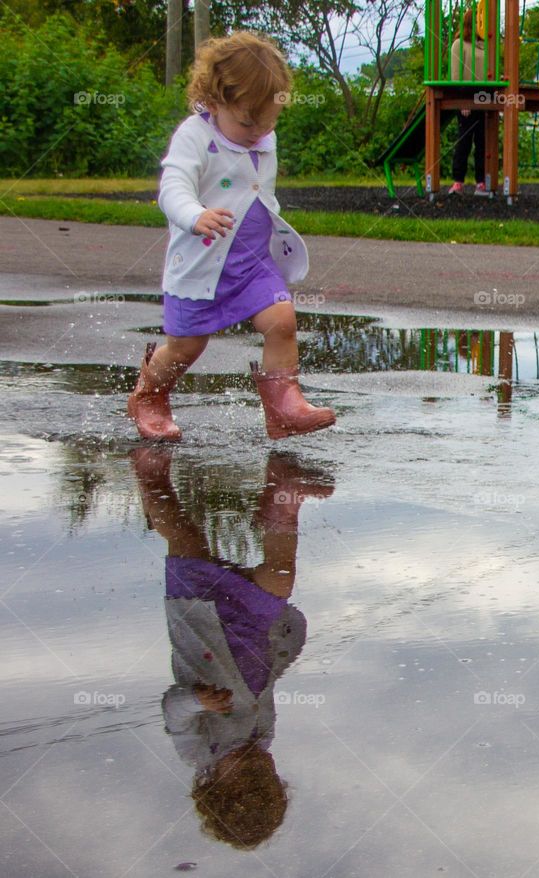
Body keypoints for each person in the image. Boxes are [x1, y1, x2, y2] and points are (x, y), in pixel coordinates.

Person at [128, 31, 335, 443]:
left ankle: (284, 407)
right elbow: (172, 188)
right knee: (187, 347)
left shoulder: (261, 135)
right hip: (201, 267)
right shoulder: (195, 136)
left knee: (281, 320)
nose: (260, 131)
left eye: (270, 120)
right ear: (214, 100)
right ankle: (149, 396)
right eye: (247, 121)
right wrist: (195, 215)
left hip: (255, 263)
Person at [131, 448, 334, 849]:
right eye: (266, 773)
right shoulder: (263, 737)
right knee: (280, 576)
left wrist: (198, 700)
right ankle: (282, 492)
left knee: (186, 538)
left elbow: (173, 710)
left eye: (245, 775)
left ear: (211, 786)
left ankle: (149, 474)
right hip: (251, 629)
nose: (258, 762)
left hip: (200, 621)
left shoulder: (197, 751)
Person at [449, 9, 489, 196]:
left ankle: (481, 182)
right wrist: (462, 101)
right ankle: (458, 181)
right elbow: (456, 75)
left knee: (482, 141)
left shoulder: (485, 46)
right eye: (481, 21)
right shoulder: (459, 44)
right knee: (464, 140)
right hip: (466, 94)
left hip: (483, 96)